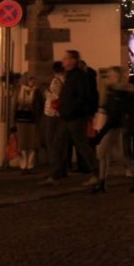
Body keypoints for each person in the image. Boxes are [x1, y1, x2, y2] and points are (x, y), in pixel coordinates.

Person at [40, 50, 99, 186]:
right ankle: (56, 174)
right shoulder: (71, 76)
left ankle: (96, 173)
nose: (63, 61)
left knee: (81, 145)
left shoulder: (79, 77)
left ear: (73, 60)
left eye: (65, 58)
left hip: (75, 117)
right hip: (66, 116)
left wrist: (71, 110)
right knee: (58, 144)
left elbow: (82, 97)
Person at [91, 67, 134, 193]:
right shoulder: (114, 90)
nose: (109, 78)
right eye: (108, 76)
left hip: (115, 126)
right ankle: (102, 182)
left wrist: (100, 134)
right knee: (106, 154)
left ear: (118, 77)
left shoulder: (119, 92)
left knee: (117, 154)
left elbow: (115, 115)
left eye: (111, 75)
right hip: (116, 125)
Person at [11, 73, 42, 172]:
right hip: (21, 121)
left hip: (32, 120)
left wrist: (32, 108)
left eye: (33, 80)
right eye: (30, 80)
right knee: (22, 144)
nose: (32, 82)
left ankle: (30, 165)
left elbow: (40, 105)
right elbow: (14, 106)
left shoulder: (36, 92)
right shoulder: (19, 91)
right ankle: (23, 165)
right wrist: (13, 122)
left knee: (32, 144)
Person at [42, 61, 65, 172]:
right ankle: (60, 167)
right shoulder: (65, 79)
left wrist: (46, 93)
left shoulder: (56, 80)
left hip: (52, 113)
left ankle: (55, 168)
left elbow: (55, 96)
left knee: (51, 141)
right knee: (59, 142)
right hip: (59, 113)